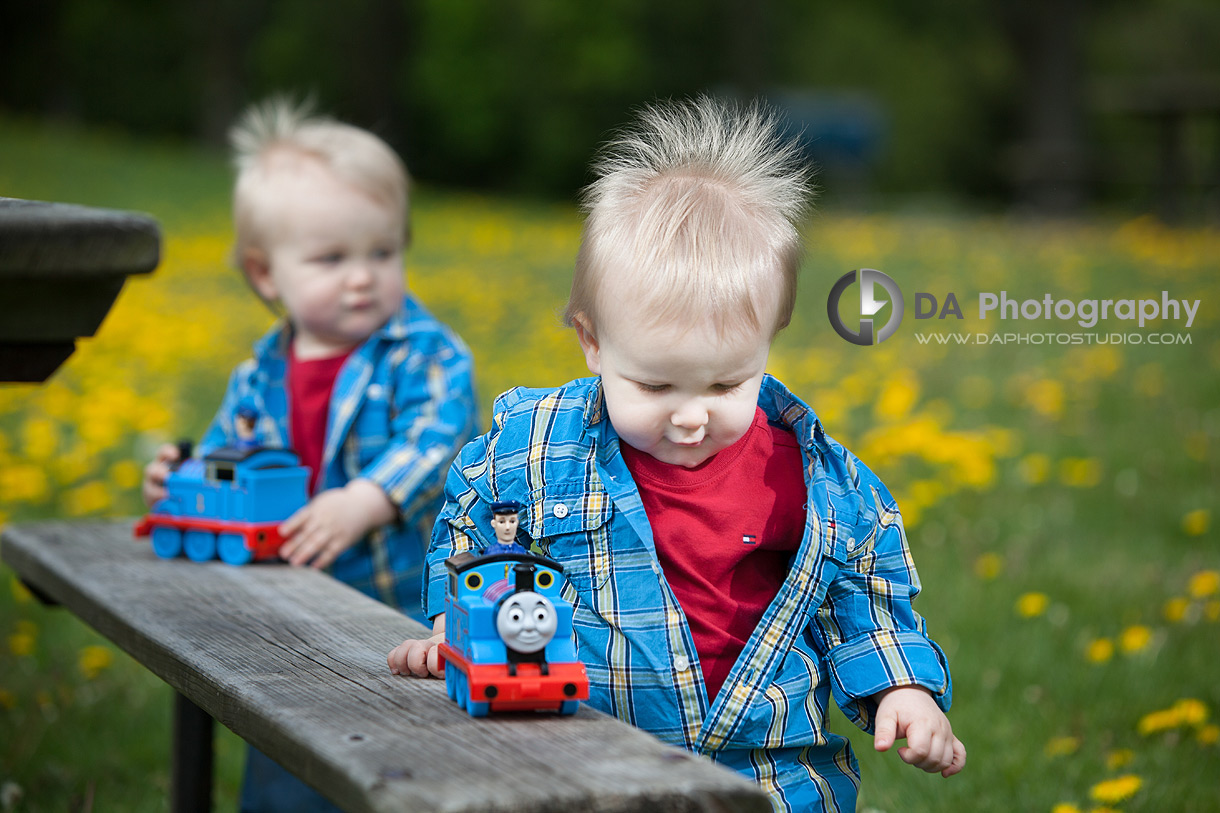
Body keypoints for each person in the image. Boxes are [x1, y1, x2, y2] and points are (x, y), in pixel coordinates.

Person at [388, 97, 964, 812]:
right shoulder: (536, 452)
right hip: (584, 762)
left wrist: (902, 689)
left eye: (727, 382)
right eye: (655, 384)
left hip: (769, 776)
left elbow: (866, 596)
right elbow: (474, 526)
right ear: (592, 340)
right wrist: (455, 619)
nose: (692, 416)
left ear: (770, 338)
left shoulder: (820, 484)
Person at [141, 97, 479, 813]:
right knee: (290, 754)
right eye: (332, 258)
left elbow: (438, 436)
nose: (363, 276)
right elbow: (232, 454)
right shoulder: (260, 372)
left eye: (382, 253)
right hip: (291, 610)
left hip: (400, 615)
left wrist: (367, 498)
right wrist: (183, 470)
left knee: (407, 761)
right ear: (267, 275)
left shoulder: (428, 354)